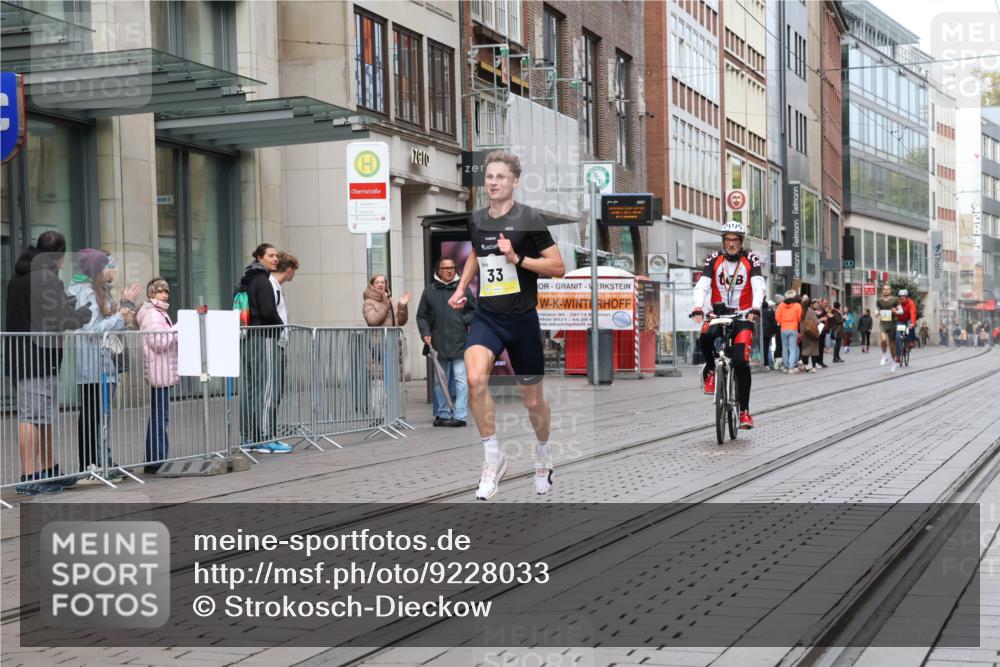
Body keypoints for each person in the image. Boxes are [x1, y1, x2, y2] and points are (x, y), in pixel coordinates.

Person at [448, 150, 566, 500]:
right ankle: (492, 458)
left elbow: (557, 266)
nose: (494, 182)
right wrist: (459, 288)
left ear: (514, 181)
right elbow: (476, 254)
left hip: (523, 320)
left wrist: (518, 258)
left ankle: (543, 456)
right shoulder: (477, 219)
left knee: (532, 403)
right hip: (488, 317)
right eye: (489, 177)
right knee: (473, 378)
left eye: (501, 177)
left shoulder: (529, 218)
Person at [5, 232, 93, 495]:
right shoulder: (46, 278)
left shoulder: (22, 275)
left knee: (42, 416)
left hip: (28, 354)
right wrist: (80, 315)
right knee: (32, 417)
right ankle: (31, 476)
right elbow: (58, 321)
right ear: (59, 256)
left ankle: (48, 469)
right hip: (37, 355)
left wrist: (64, 307)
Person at [68, 249, 141, 479]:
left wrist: (122, 311)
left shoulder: (99, 291)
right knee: (95, 414)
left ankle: (102, 461)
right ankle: (93, 465)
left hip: (103, 363)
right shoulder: (85, 292)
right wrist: (120, 317)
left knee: (99, 414)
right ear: (97, 270)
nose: (114, 270)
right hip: (93, 364)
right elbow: (90, 328)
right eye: (109, 266)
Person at [690, 220, 766, 428]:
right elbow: (702, 285)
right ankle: (712, 370)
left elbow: (758, 286)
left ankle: (745, 413)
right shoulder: (714, 259)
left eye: (735, 240)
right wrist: (698, 306)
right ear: (723, 242)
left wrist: (755, 308)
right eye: (727, 240)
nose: (731, 244)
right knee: (705, 336)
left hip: (743, 316)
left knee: (741, 362)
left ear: (741, 242)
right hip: (717, 313)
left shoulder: (751, 259)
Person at [236, 243, 292, 454]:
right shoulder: (263, 281)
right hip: (264, 338)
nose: (275, 259)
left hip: (248, 338)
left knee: (251, 389)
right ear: (260, 257)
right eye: (271, 255)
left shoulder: (247, 279)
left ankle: (248, 437)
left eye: (276, 255)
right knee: (267, 388)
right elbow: (268, 311)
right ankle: (265, 437)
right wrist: (280, 327)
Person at [417, 257, 476, 427]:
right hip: (438, 343)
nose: (449, 270)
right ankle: (443, 413)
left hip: (460, 342)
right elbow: (421, 316)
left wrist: (462, 320)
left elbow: (475, 311)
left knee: (461, 379)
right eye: (445, 268)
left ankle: (460, 415)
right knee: (439, 381)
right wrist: (425, 333)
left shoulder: (463, 289)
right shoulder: (429, 290)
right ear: (438, 271)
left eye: (452, 267)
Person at [136, 278, 178, 474]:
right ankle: (156, 461)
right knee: (160, 417)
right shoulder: (153, 314)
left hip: (162, 369)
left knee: (160, 417)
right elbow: (158, 342)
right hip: (159, 371)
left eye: (166, 291)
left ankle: (156, 459)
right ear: (152, 293)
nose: (164, 295)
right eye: (160, 291)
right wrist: (177, 329)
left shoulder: (158, 312)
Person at [875, 284, 902, 372]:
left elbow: (901, 311)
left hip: (892, 324)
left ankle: (893, 361)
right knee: (883, 340)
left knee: (892, 345)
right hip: (883, 323)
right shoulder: (879, 301)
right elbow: (877, 309)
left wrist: (896, 311)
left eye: (888, 289)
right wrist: (876, 313)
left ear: (890, 291)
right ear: (882, 291)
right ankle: (885, 355)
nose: (886, 290)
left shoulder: (895, 300)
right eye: (884, 289)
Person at [774, 289, 802, 373]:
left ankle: (785, 367)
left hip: (783, 328)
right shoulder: (797, 305)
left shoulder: (781, 305)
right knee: (792, 348)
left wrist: (782, 322)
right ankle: (791, 367)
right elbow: (800, 317)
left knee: (784, 348)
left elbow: (777, 317)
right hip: (793, 328)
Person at [895, 289, 918, 360]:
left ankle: (911, 342)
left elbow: (913, 313)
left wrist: (913, 323)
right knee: (898, 337)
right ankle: (898, 356)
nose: (902, 298)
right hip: (900, 321)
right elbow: (893, 312)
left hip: (908, 319)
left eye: (903, 296)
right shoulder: (897, 303)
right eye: (900, 296)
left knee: (910, 325)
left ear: (906, 296)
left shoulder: (911, 303)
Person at [801, 299, 822, 371]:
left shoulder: (802, 312)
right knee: (814, 350)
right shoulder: (812, 312)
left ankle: (805, 365)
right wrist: (821, 320)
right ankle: (813, 367)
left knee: (805, 350)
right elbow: (816, 322)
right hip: (812, 333)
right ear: (810, 305)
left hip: (804, 333)